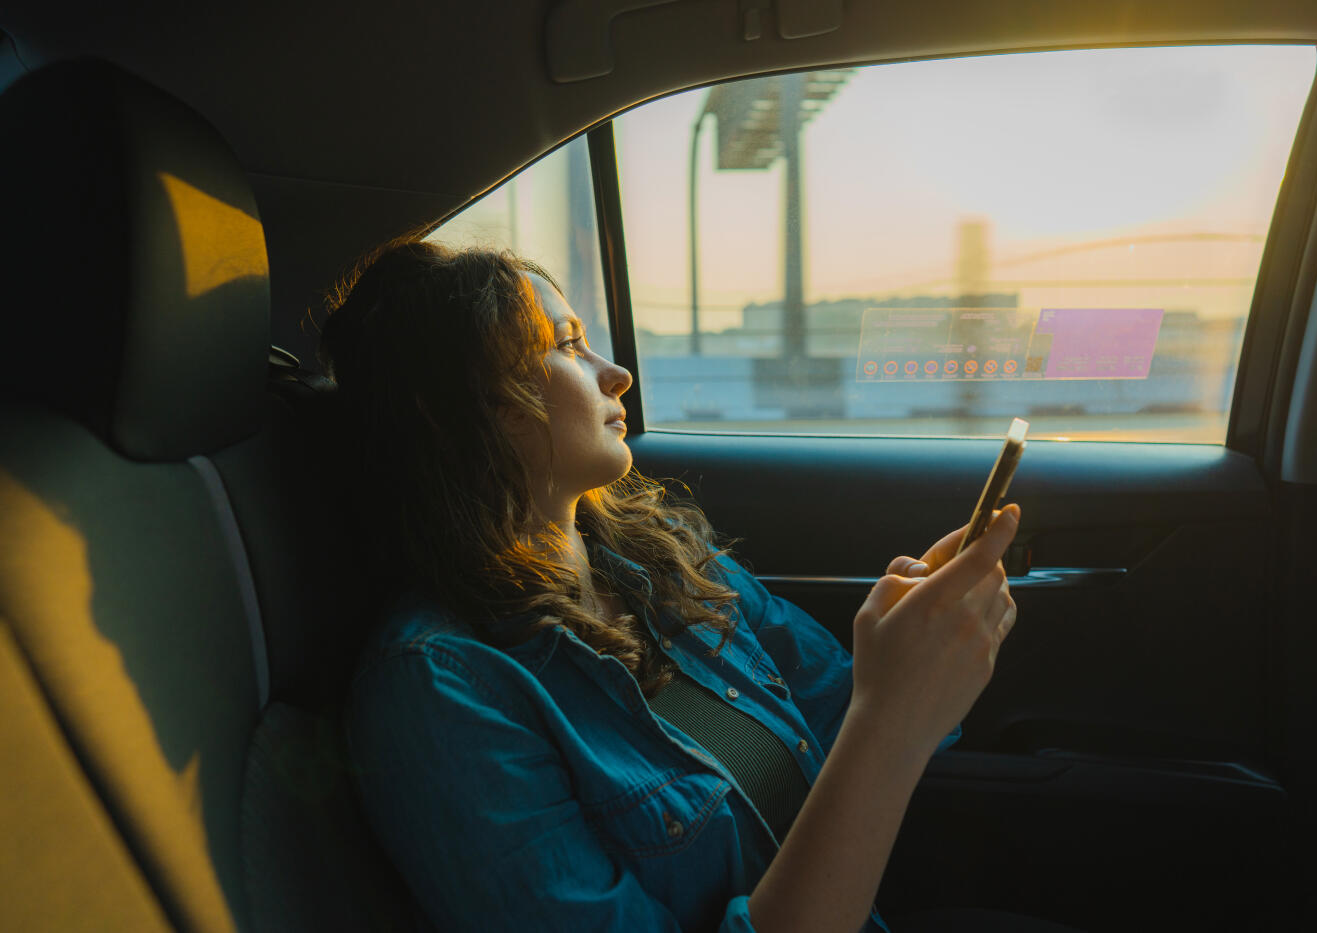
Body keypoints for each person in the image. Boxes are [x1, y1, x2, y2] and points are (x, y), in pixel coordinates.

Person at [321, 239, 1027, 933]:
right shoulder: (442, 690)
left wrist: (916, 636)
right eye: (566, 346)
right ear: (464, 410)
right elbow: (878, 728)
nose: (617, 372)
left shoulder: (662, 553)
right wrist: (892, 713)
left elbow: (839, 715)